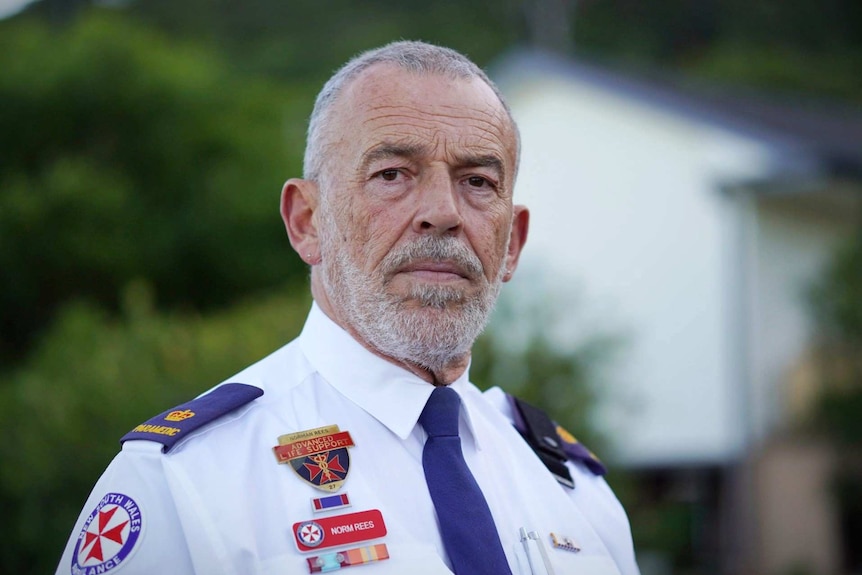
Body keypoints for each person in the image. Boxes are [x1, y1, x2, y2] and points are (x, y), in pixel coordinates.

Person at [56, 40, 640, 575]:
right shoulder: (185, 486)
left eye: (478, 182)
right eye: (392, 174)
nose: (443, 212)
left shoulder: (573, 490)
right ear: (307, 222)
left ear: (511, 244)